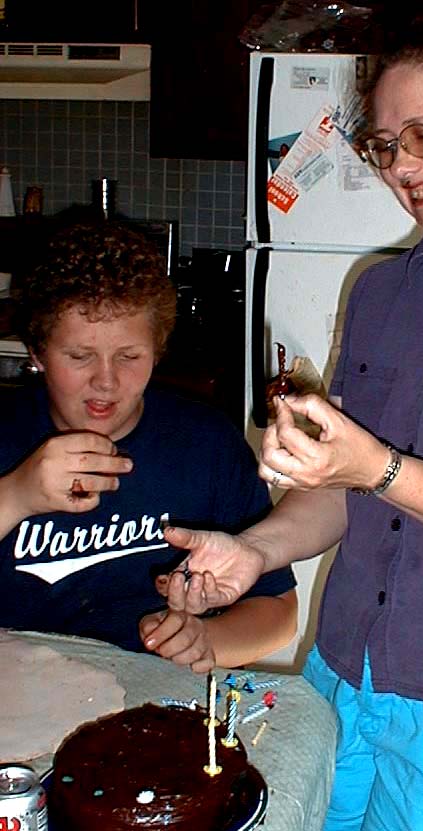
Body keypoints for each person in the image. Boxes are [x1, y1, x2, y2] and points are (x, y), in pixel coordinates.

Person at [159, 14, 423, 831]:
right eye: (387, 145)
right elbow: (345, 490)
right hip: (345, 671)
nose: (403, 166)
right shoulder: (379, 292)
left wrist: (373, 468)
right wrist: (255, 549)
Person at [0, 221, 297, 672]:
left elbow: (278, 613)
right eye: (79, 356)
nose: (106, 380)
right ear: (37, 354)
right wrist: (16, 495)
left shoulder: (207, 445)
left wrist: (207, 639)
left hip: (157, 696)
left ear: (157, 351)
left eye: (129, 357)